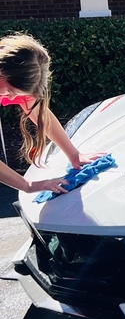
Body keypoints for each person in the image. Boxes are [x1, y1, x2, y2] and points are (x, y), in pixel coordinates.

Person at [0, 33, 92, 196]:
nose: (12, 98)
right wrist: (27, 185)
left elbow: (41, 115)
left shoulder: (12, 80)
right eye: (10, 91)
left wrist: (74, 155)